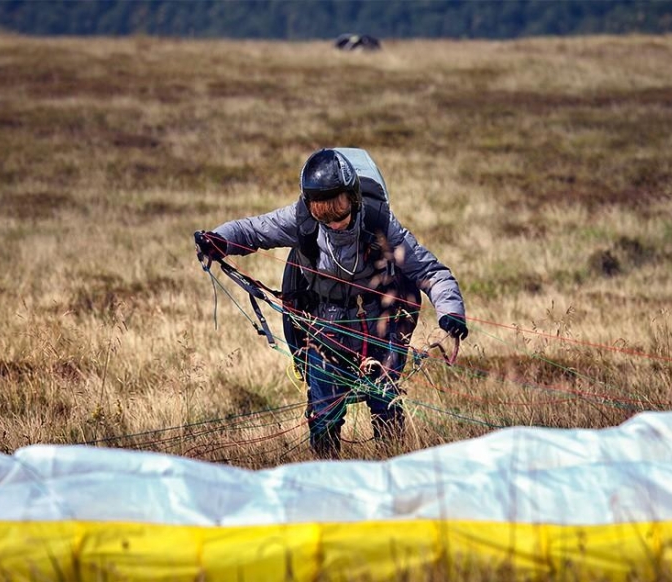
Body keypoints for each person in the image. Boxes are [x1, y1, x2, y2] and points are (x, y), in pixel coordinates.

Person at [194, 148, 467, 458]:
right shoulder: (301, 221)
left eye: (339, 209)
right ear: (310, 205)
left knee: (384, 401)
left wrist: (451, 316)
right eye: (322, 211)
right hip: (325, 325)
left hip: (379, 321)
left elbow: (430, 271)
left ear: (353, 198)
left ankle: (393, 469)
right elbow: (253, 230)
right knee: (324, 414)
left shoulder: (380, 223)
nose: (333, 221)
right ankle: (326, 475)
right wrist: (219, 239)